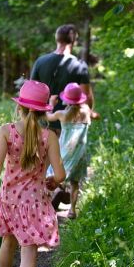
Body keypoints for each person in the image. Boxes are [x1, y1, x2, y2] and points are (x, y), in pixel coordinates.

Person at [0, 80, 66, 267]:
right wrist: (53, 181)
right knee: (28, 254)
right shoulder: (48, 136)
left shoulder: (6, 131)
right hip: (35, 203)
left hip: (8, 199)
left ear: (19, 107)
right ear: (43, 111)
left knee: (7, 243)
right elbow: (60, 174)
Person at [46, 83, 99, 219]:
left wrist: (51, 103)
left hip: (63, 153)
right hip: (79, 154)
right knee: (75, 183)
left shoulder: (61, 114)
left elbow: (47, 117)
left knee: (50, 175)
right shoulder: (86, 111)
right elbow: (95, 115)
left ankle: (47, 205)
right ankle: (72, 210)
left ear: (66, 99)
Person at [30, 24, 95, 135]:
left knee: (44, 152)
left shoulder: (40, 61)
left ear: (57, 38)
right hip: (69, 124)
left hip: (43, 122)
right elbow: (87, 98)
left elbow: (31, 92)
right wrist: (87, 115)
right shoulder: (79, 65)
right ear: (74, 40)